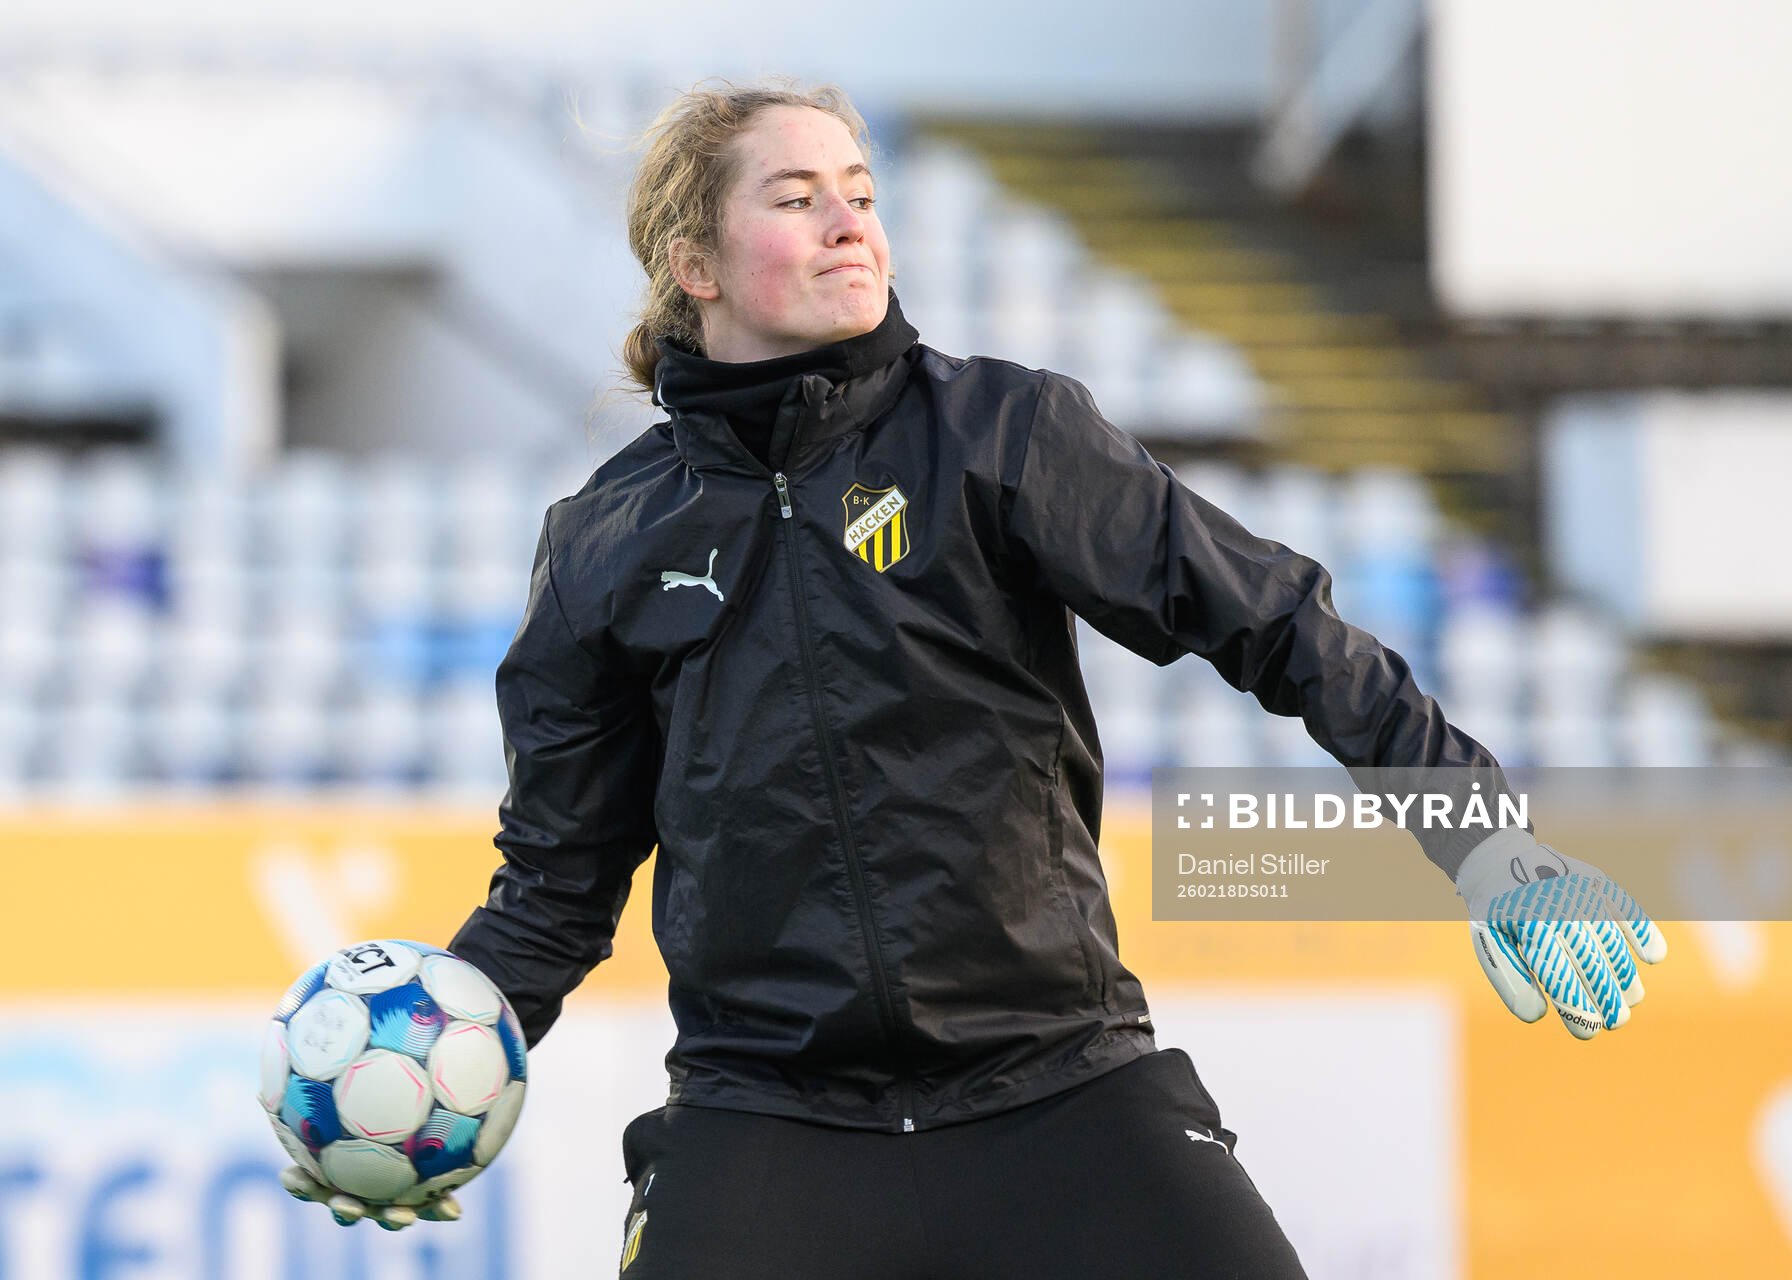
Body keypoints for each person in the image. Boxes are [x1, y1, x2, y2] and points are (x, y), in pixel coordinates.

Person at [279, 77, 1667, 1276]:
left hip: (1061, 1084)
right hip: (769, 1123)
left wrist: (1480, 839)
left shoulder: (1005, 430)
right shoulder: (602, 544)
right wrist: (435, 1080)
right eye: (799, 197)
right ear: (694, 259)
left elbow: (1278, 626)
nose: (849, 222)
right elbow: (557, 882)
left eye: (862, 192)